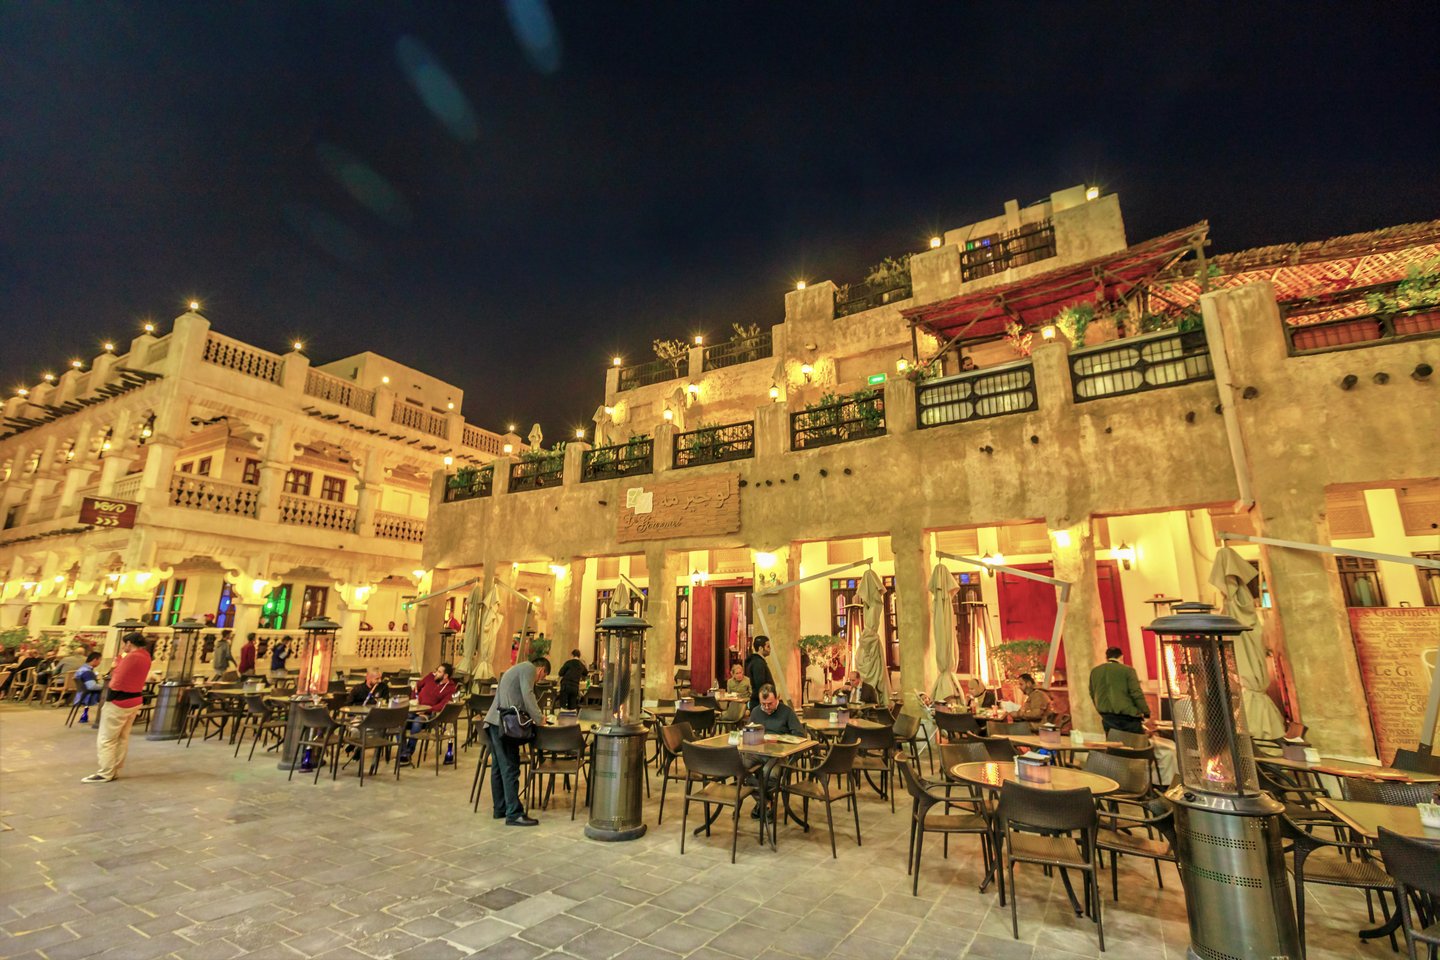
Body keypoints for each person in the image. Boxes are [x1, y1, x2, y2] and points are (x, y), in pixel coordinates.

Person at [484, 657, 549, 826]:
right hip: (505, 724)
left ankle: (500, 808)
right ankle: (514, 813)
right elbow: (528, 694)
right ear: (541, 670)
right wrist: (540, 718)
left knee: (498, 767)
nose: (538, 680)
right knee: (510, 767)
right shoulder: (528, 668)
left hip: (493, 721)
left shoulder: (516, 669)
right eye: (541, 677)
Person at [83, 633, 152, 783]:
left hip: (119, 701)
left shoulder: (132, 657)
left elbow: (117, 680)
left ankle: (105, 772)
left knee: (107, 739)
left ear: (129, 643)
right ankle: (114, 769)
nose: (123, 647)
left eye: (124, 644)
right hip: (135, 699)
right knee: (122, 737)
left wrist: (117, 666)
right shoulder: (146, 656)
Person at [398, 662, 457, 763]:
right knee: (399, 720)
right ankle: (404, 752)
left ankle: (408, 752)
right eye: (436, 670)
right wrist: (413, 699)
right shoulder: (430, 677)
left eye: (439, 672)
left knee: (417, 723)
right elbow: (417, 686)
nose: (436, 673)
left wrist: (426, 710)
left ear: (445, 675)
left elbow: (442, 705)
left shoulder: (450, 688)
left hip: (429, 715)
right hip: (414, 709)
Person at [1089, 646, 1150, 735]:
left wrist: (1100, 709)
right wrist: (1145, 712)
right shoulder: (1128, 670)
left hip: (1107, 716)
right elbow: (1136, 693)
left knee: (1114, 745)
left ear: (1106, 657)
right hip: (1128, 717)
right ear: (1121, 657)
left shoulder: (1095, 671)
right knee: (1137, 745)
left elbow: (1092, 693)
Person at [72, 651, 104, 723]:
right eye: (100, 660)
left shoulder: (82, 668)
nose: (100, 662)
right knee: (109, 695)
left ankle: (85, 715)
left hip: (80, 695)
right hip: (88, 696)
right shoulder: (87, 671)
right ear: (95, 660)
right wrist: (105, 687)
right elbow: (92, 686)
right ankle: (104, 719)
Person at [744, 636, 774, 710]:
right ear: (761, 648)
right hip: (760, 703)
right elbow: (760, 684)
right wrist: (766, 700)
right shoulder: (758, 663)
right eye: (768, 646)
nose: (770, 649)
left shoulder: (757, 662)